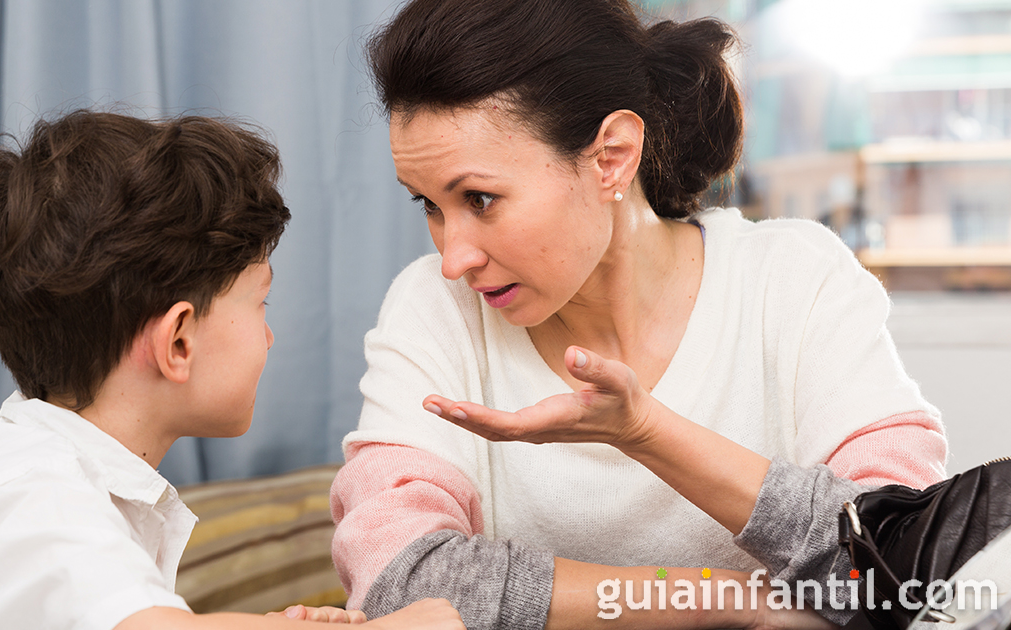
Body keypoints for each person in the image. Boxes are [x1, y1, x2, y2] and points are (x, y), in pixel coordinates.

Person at [329, 1, 948, 628]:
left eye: (480, 199)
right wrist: (722, 601)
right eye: (430, 206)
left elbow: (905, 563)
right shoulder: (436, 311)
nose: (453, 259)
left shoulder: (793, 280)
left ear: (612, 156)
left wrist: (647, 431)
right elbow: (397, 576)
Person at [0, 111, 464, 630]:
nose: (269, 335)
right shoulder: (30, 491)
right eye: (260, 303)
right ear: (178, 341)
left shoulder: (63, 477)